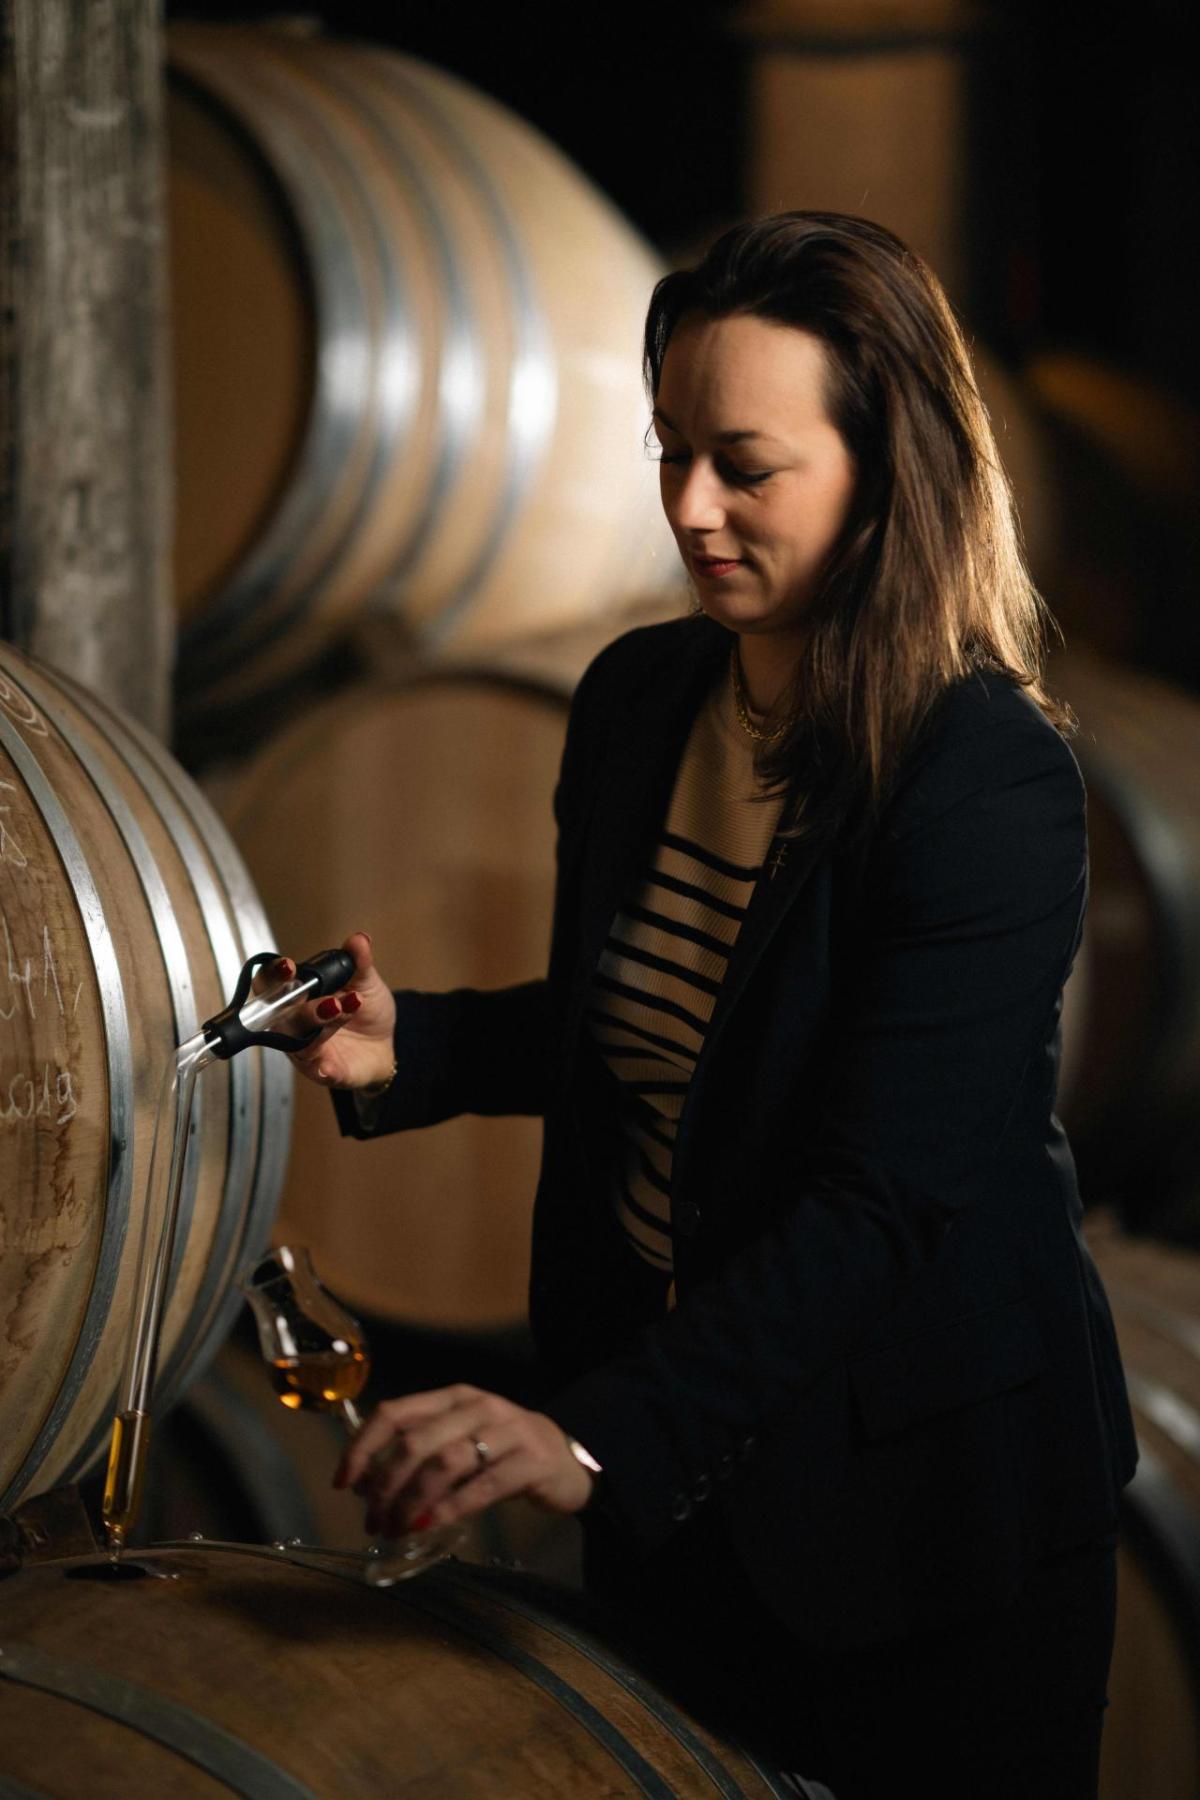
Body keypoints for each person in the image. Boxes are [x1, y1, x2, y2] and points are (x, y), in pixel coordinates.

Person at [271, 212, 1137, 1799]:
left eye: (744, 463)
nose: (689, 507)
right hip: (688, 1491)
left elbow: (882, 1195)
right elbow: (677, 1027)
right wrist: (432, 1043)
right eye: (670, 449)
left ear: (889, 468)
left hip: (918, 1516)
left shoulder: (981, 776)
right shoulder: (638, 703)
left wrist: (591, 1437)